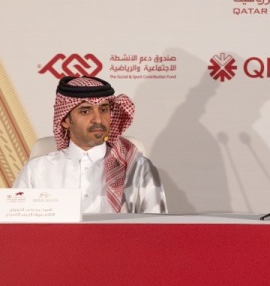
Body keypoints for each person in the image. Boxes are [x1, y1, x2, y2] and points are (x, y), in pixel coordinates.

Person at [13, 76, 166, 214]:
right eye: (86, 111)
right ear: (65, 121)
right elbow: (16, 224)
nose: (98, 119)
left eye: (104, 109)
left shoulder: (137, 167)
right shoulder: (38, 169)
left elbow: (157, 228)